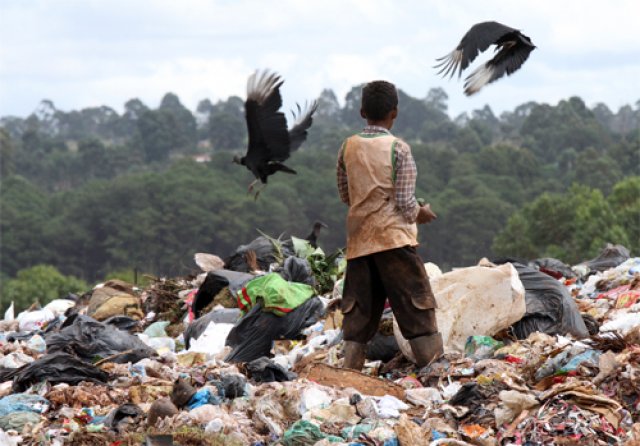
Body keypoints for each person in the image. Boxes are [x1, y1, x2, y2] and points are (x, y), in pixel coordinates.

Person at [336, 80, 443, 370]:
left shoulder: (348, 147)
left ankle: (349, 374)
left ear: (361, 112)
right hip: (395, 242)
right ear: (394, 113)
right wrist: (423, 213)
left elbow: (346, 195)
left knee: (357, 317)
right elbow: (407, 206)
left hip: (359, 243)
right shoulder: (399, 149)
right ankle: (436, 375)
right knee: (417, 310)